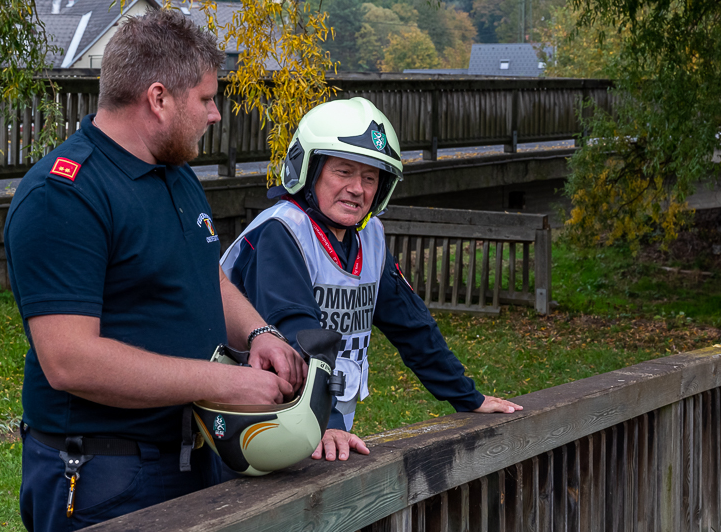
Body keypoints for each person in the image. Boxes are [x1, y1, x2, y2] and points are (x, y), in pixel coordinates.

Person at [3, 8, 306, 532]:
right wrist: (227, 381)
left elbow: (204, 275)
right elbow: (69, 360)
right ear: (158, 98)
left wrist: (259, 333)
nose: (215, 114)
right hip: (105, 473)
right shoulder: (64, 196)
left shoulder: (176, 173)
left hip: (193, 452)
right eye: (206, 99)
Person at [220, 97, 523, 462]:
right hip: (253, 425)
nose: (357, 188)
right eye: (343, 171)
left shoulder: (369, 236)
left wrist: (467, 396)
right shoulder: (281, 231)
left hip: (315, 426)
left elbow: (411, 325)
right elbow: (296, 333)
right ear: (309, 169)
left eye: (370, 177)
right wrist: (326, 421)